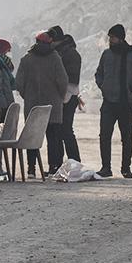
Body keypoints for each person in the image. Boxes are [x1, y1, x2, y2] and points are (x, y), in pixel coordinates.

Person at [94, 24, 132, 178]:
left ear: (120, 38)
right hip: (108, 102)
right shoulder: (106, 54)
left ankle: (126, 168)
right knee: (104, 135)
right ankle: (106, 168)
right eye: (109, 37)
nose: (110, 40)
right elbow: (98, 73)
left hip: (127, 102)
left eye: (112, 37)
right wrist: (102, 85)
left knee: (126, 137)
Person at [15, 31, 69, 177]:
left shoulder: (26, 59)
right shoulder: (55, 58)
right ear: (49, 42)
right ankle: (53, 167)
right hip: (53, 107)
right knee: (53, 138)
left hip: (33, 106)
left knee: (32, 138)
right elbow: (63, 81)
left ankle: (31, 169)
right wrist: (60, 96)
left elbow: (19, 83)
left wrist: (28, 96)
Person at [48, 26, 83, 164]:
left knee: (66, 130)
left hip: (68, 96)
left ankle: (74, 162)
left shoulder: (70, 54)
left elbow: (72, 80)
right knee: (59, 131)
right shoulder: (60, 52)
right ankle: (59, 164)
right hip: (60, 96)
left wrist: (64, 97)